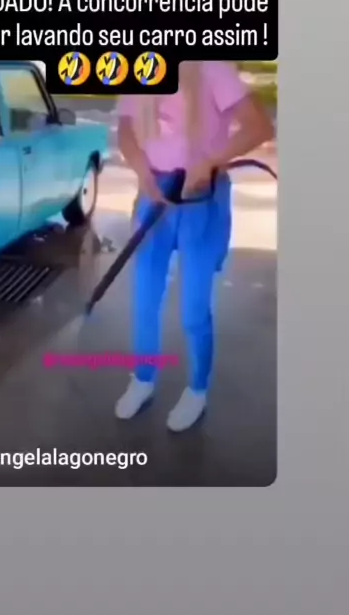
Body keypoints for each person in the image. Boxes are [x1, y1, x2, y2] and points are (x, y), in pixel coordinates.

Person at [115, 61, 274, 432]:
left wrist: (210, 162)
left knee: (194, 308)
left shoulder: (213, 68)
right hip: (153, 195)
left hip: (201, 197)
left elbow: (259, 126)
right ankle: (143, 379)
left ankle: (197, 390)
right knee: (144, 299)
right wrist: (141, 170)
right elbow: (125, 128)